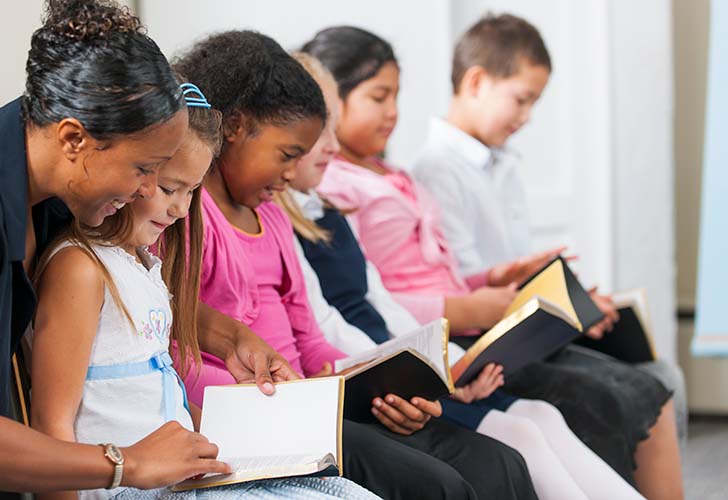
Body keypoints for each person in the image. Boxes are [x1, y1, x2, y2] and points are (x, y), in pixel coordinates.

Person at [0, 2, 293, 497]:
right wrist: (127, 464)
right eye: (143, 169)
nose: (146, 190)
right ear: (74, 139)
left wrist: (226, 335)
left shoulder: (57, 179)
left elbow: (124, 304)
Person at [304, 25, 682, 497]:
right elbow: (366, 304)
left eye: (396, 96)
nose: (394, 113)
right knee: (570, 410)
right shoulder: (334, 191)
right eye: (379, 98)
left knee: (586, 402)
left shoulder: (395, 175)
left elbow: (392, 288)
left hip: (445, 336)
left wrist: (494, 283)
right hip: (436, 336)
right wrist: (482, 310)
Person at [172, 29, 538, 500]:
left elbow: (311, 336)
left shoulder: (273, 218)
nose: (290, 175)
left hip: (311, 401)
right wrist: (296, 400)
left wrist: (372, 388)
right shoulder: (186, 217)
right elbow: (178, 348)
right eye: (287, 156)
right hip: (264, 414)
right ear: (236, 127)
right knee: (438, 485)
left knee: (498, 462)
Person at [29, 85, 378, 500]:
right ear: (135, 169)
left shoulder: (143, 265)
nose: (180, 210)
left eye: (191, 191)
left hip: (176, 481)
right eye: (169, 189)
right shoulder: (80, 268)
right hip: (127, 490)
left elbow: (154, 400)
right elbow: (52, 429)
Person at [411, 12, 688, 447]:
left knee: (661, 373)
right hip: (487, 337)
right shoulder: (436, 172)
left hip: (521, 320)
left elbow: (511, 266)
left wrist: (573, 300)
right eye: (521, 99)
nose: (527, 116)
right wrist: (568, 308)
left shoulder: (503, 162)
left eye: (534, 103)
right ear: (477, 82)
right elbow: (466, 286)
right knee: (635, 393)